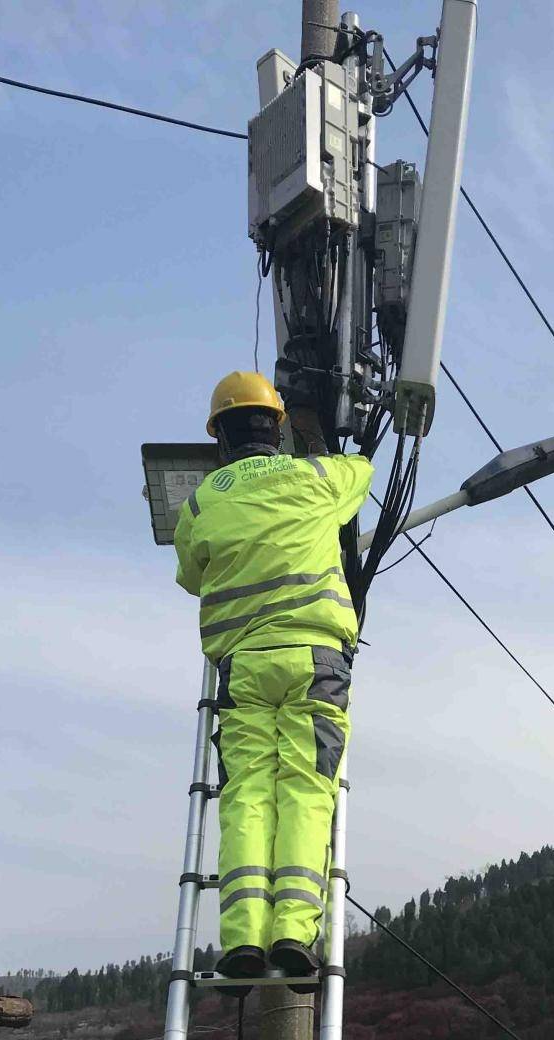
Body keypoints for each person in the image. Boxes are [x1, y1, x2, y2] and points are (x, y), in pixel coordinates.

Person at [173, 372, 375, 982]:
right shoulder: (313, 479)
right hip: (315, 660)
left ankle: (241, 937)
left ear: (220, 438)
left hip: (244, 668)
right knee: (307, 791)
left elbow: (190, 573)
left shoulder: (204, 500)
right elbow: (360, 475)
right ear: (278, 427)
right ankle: (293, 929)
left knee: (245, 796)